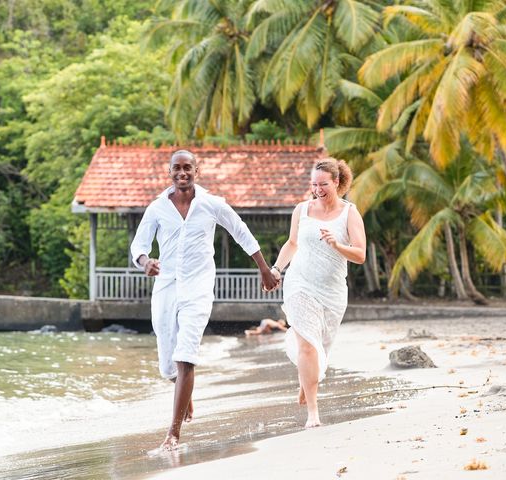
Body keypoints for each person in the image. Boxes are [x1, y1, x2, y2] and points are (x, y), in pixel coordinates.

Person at [130, 150, 279, 451]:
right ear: (169, 171)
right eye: (177, 168)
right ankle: (185, 393)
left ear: (197, 171)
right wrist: (145, 262)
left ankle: (173, 434)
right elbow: (139, 246)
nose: (182, 173)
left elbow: (241, 231)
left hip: (198, 288)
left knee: (186, 355)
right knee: (167, 365)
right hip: (166, 288)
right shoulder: (157, 208)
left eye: (188, 168)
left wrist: (264, 268)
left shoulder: (212, 204)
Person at [270, 158, 366, 428]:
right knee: (308, 346)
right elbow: (292, 243)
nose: (318, 189)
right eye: (314, 184)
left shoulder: (349, 213)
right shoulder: (302, 209)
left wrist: (337, 244)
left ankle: (307, 379)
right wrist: (277, 269)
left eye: (323, 184)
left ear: (336, 182)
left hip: (332, 291)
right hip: (299, 283)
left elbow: (360, 254)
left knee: (321, 346)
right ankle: (313, 411)